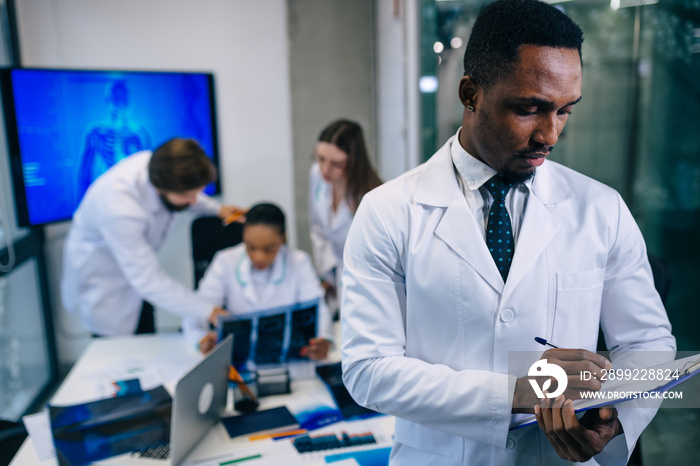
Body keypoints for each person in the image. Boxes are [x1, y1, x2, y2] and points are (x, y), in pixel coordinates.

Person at [340, 1, 676, 465]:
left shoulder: (601, 208)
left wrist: (614, 417)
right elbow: (368, 371)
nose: (550, 135)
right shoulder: (388, 212)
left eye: (565, 111)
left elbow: (648, 344)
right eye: (529, 108)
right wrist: (517, 392)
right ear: (470, 93)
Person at [62, 138, 242, 336]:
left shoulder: (160, 165)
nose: (194, 201)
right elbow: (148, 280)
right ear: (161, 188)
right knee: (115, 349)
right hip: (105, 277)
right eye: (188, 197)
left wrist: (217, 209)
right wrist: (208, 311)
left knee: (145, 331)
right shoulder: (120, 208)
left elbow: (188, 195)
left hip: (135, 271)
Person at [185, 202, 333, 361]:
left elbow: (319, 311)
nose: (259, 257)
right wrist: (202, 340)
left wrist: (324, 340)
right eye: (251, 247)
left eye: (269, 248)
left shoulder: (299, 262)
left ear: (283, 238)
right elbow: (195, 312)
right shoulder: (225, 261)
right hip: (239, 361)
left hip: (285, 359)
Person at [308, 119, 381, 307]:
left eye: (336, 163)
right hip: (328, 276)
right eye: (320, 158)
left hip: (361, 283)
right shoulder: (317, 174)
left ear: (354, 162)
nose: (325, 169)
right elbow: (317, 228)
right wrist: (324, 274)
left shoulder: (373, 196)